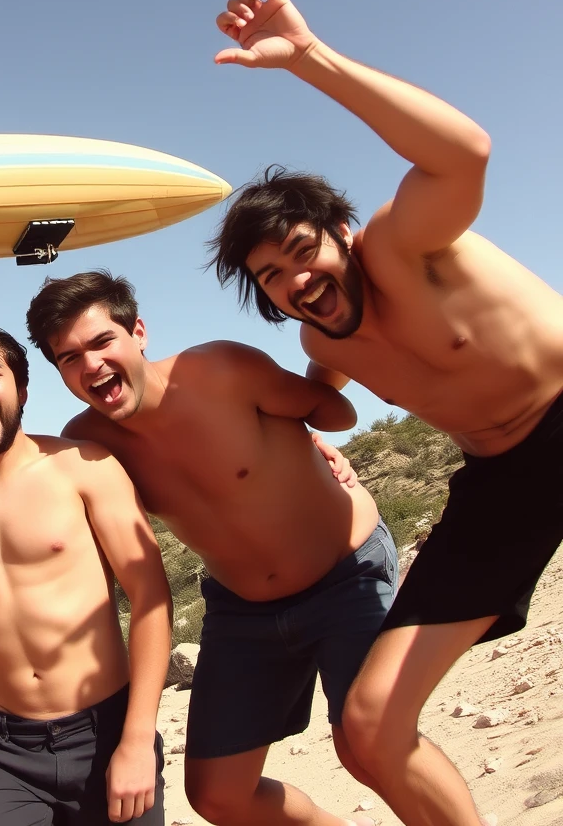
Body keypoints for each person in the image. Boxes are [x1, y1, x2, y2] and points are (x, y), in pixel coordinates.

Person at [211, 0, 563, 826]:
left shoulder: (406, 246)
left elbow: (465, 153)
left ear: (341, 232)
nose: (298, 281)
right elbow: (321, 391)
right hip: (500, 486)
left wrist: (310, 59)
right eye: (272, 277)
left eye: (304, 252)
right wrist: (310, 436)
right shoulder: (319, 342)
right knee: (367, 731)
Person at [25, 271, 393, 826]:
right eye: (69, 357)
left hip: (345, 571)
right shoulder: (90, 444)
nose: (92, 364)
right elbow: (12, 476)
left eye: (102, 341)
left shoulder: (219, 368)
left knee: (371, 745)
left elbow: (334, 412)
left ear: (138, 332)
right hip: (243, 608)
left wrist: (311, 440)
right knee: (218, 796)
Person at [0, 325, 172, 826]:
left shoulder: (84, 467)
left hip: (106, 729)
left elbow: (150, 595)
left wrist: (137, 739)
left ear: (20, 389)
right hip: (3, 747)